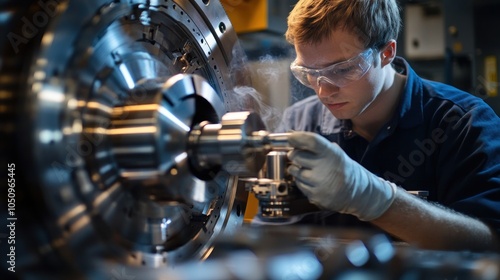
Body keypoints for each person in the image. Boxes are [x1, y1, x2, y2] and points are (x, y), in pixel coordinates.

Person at [278, 0, 500, 252]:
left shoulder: (462, 122)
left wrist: (373, 199)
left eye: (342, 69)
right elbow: (277, 235)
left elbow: (489, 242)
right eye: (309, 71)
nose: (323, 90)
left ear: (387, 53)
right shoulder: (300, 123)